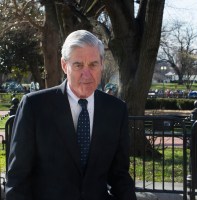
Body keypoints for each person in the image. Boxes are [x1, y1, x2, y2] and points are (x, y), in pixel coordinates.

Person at [5, 30, 137, 200]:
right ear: (64, 65)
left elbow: (119, 175)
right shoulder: (34, 106)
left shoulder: (116, 110)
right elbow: (18, 177)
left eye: (93, 64)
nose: (86, 74)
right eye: (78, 65)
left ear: (102, 64)